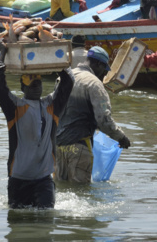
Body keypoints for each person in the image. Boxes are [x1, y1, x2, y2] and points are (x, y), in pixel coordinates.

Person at [0, 42, 75, 209]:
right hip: (19, 179)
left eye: (38, 83)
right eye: (31, 84)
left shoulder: (51, 105)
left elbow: (68, 81)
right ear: (22, 87)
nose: (36, 86)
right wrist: (2, 55)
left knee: (46, 220)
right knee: (18, 225)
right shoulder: (15, 108)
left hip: (43, 178)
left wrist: (55, 56)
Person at [55, 46, 131, 183]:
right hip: (79, 146)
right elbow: (103, 120)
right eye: (103, 70)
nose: (103, 74)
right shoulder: (94, 83)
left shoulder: (64, 78)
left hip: (58, 146)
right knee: (81, 194)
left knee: (61, 190)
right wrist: (121, 137)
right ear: (98, 64)